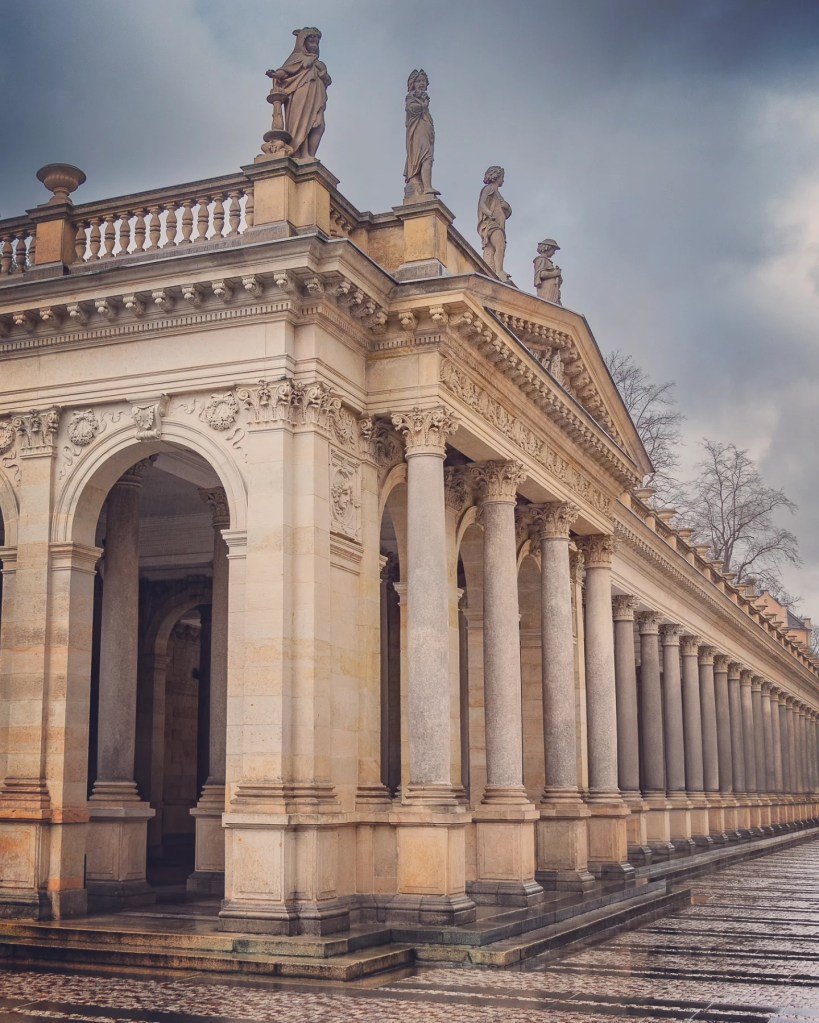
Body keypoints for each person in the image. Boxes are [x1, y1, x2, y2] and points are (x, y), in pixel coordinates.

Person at [267, 27, 332, 160]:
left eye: (316, 43)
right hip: (300, 95)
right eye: (311, 42)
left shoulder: (319, 63)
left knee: (319, 126)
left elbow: (328, 81)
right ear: (303, 43)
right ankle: (301, 154)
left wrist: (322, 70)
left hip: (316, 97)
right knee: (301, 125)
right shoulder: (297, 58)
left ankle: (309, 155)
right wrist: (275, 74)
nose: (314, 46)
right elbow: (285, 72)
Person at [403, 69, 437, 200]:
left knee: (428, 158)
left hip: (426, 132)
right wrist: (423, 105)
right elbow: (412, 109)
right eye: (418, 81)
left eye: (423, 81)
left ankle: (426, 185)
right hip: (417, 132)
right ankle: (426, 187)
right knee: (424, 157)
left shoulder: (423, 99)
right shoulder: (411, 97)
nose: (422, 83)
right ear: (413, 83)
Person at [477, 166, 512, 281]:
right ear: (496, 176)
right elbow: (482, 203)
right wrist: (489, 214)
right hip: (492, 224)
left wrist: (508, 207)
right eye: (502, 177)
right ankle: (499, 272)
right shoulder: (489, 188)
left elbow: (505, 213)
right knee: (500, 246)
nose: (503, 180)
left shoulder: (498, 193)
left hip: (498, 224)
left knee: (492, 249)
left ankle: (492, 272)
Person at [533, 239, 562, 304]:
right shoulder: (540, 260)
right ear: (547, 248)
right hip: (546, 289)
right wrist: (555, 273)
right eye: (553, 250)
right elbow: (541, 274)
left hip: (552, 289)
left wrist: (558, 275)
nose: (554, 253)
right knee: (547, 304)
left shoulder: (547, 261)